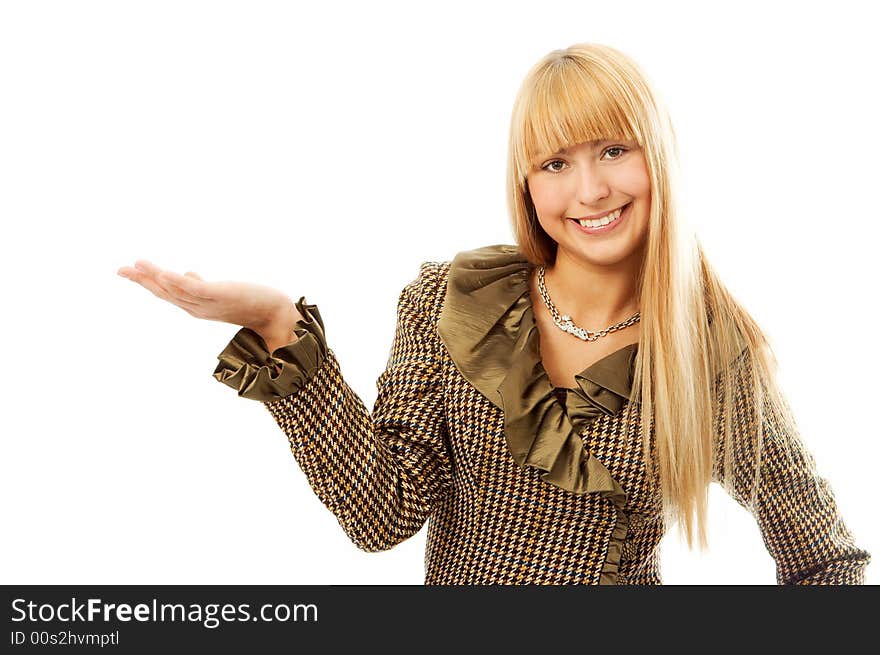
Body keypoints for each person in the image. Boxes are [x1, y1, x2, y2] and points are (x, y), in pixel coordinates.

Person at [117, 42, 871, 585]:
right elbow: (383, 512)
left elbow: (826, 562)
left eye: (614, 150)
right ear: (528, 184)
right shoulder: (451, 302)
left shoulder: (710, 353)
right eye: (555, 163)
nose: (591, 191)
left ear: (659, 158)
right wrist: (281, 323)